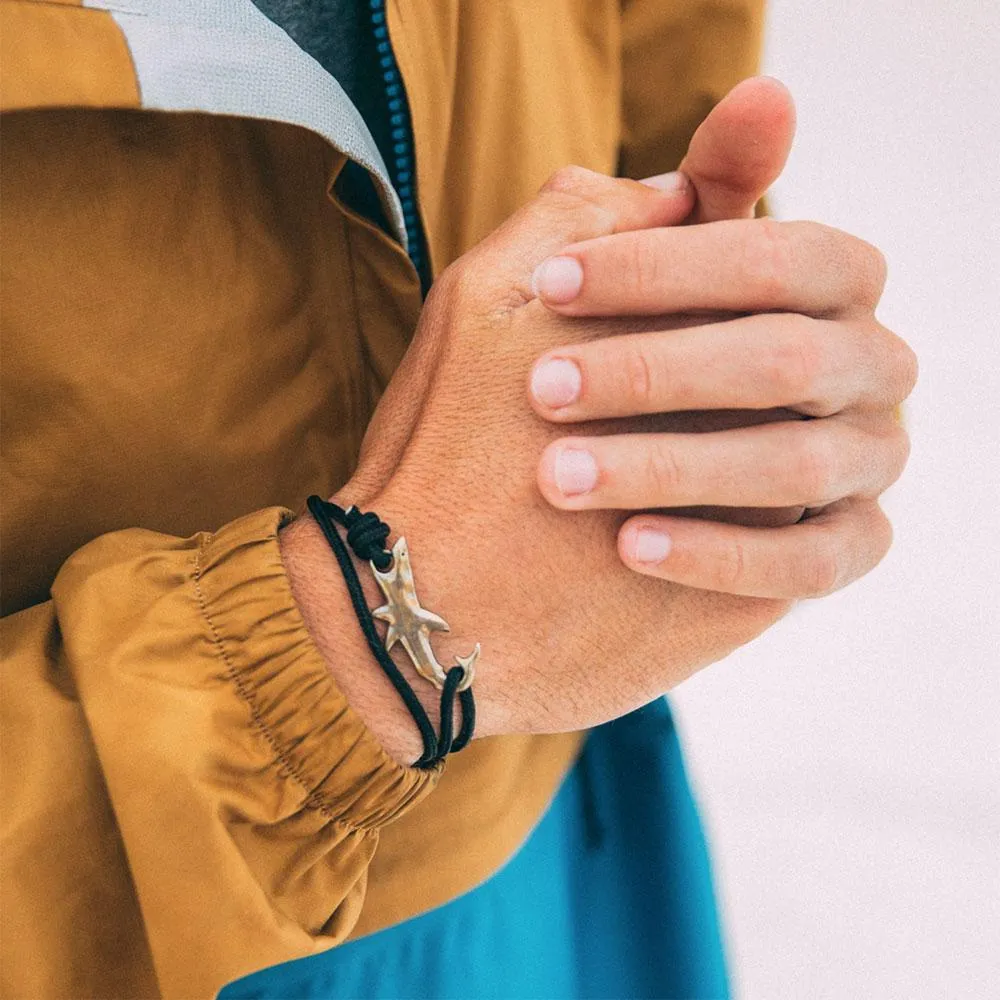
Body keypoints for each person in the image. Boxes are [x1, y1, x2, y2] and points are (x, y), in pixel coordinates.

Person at [0, 2, 916, 997]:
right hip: (130, 929)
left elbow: (650, 93)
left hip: (548, 820)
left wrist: (700, 350)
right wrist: (339, 658)